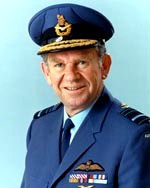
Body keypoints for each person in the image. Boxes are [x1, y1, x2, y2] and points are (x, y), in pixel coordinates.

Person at [21, 3, 150, 188]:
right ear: (46, 72)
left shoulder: (134, 135)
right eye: (59, 65)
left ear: (104, 65)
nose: (71, 76)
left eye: (82, 62)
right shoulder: (39, 127)